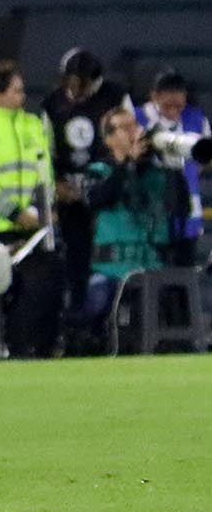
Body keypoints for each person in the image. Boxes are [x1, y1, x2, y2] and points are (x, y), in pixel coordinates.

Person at [0, 64, 65, 357]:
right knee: (2, 285)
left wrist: (46, 211)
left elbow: (44, 172)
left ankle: (33, 345)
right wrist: (13, 213)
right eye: (17, 90)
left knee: (49, 280)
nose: (23, 95)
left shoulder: (33, 124)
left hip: (35, 225)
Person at [41, 48, 132, 316]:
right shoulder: (52, 104)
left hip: (107, 190)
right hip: (70, 195)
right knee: (76, 260)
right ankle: (79, 323)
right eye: (72, 84)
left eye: (83, 85)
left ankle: (115, 318)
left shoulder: (115, 97)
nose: (77, 92)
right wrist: (55, 183)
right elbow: (45, 152)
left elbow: (127, 138)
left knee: (109, 258)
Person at [81, 107, 172, 341]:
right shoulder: (97, 170)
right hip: (109, 269)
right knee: (97, 306)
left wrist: (166, 160)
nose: (135, 132)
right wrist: (127, 164)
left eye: (135, 125)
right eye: (126, 127)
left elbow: (176, 204)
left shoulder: (152, 171)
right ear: (109, 138)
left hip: (147, 265)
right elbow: (98, 198)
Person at [133, 71, 210, 267]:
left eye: (179, 105)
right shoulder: (137, 118)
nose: (174, 110)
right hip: (151, 204)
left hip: (187, 202)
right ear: (154, 97)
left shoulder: (196, 119)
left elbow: (203, 159)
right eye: (168, 105)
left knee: (185, 265)